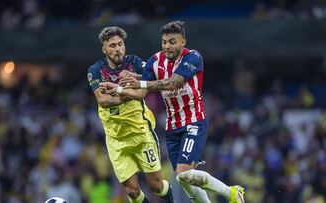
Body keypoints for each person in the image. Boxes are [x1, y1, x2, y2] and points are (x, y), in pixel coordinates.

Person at [101, 21, 245, 203]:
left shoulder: (193, 58)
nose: (167, 46)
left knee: (184, 173)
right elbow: (141, 92)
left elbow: (173, 82)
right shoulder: (155, 61)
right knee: (182, 177)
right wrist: (120, 88)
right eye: (164, 42)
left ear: (183, 41)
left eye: (172, 41)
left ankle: (232, 193)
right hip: (172, 128)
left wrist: (140, 82)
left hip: (193, 122)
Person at [87, 26, 174, 203]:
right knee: (133, 192)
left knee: (156, 186)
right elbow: (102, 100)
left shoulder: (135, 63)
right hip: (116, 139)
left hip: (141, 133)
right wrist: (127, 92)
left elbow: (143, 93)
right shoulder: (95, 71)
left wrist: (117, 90)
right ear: (104, 49)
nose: (117, 48)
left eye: (120, 44)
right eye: (112, 45)